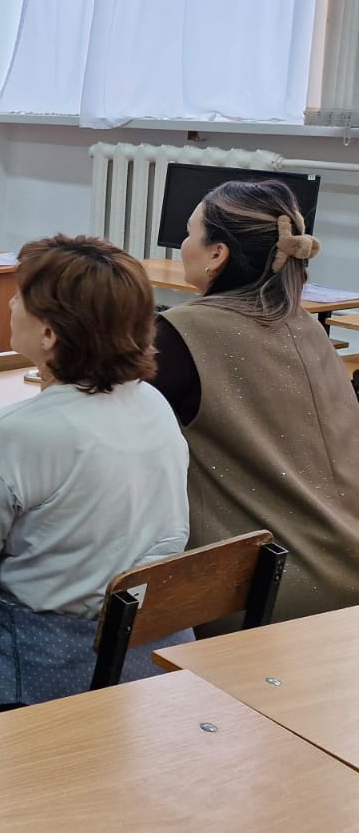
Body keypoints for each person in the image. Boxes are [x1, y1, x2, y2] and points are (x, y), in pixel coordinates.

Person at [0, 235, 191, 707]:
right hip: (155, 645)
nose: (12, 303)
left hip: (50, 664)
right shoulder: (153, 403)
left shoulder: (17, 434)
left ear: (49, 334)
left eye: (21, 296)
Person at [152, 180, 359, 623]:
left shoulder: (180, 333)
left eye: (190, 233)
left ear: (217, 254)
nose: (183, 245)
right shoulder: (311, 330)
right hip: (345, 566)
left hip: (255, 593)